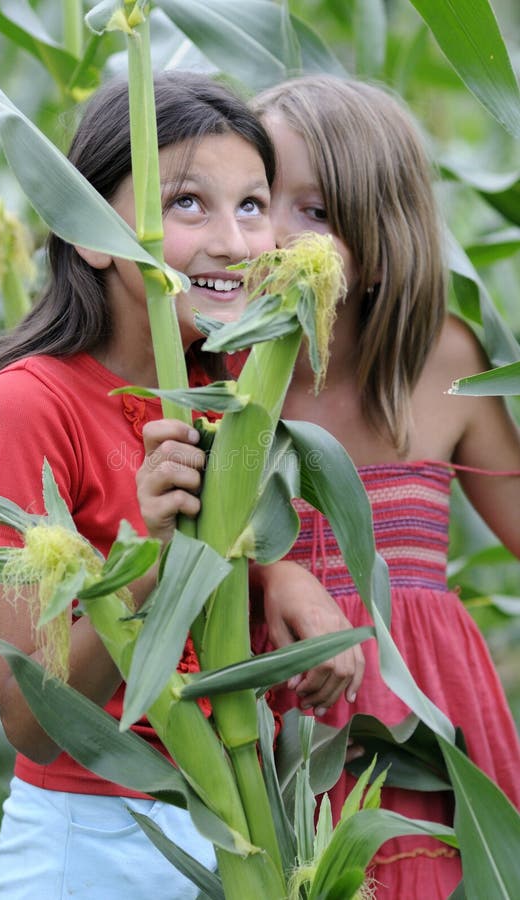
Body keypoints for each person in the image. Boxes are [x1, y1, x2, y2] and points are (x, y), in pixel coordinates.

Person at [0, 71, 279, 899]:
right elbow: (30, 719)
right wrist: (152, 556)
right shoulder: (27, 404)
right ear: (88, 233)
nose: (232, 241)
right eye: (187, 203)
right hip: (94, 848)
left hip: (235, 835)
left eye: (254, 206)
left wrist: (286, 576)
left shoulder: (235, 392)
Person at [247, 75, 520, 898]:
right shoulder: (212, 367)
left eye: (317, 212)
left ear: (382, 226)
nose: (276, 236)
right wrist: (270, 572)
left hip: (423, 724)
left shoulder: (444, 358)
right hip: (268, 725)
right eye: (260, 202)